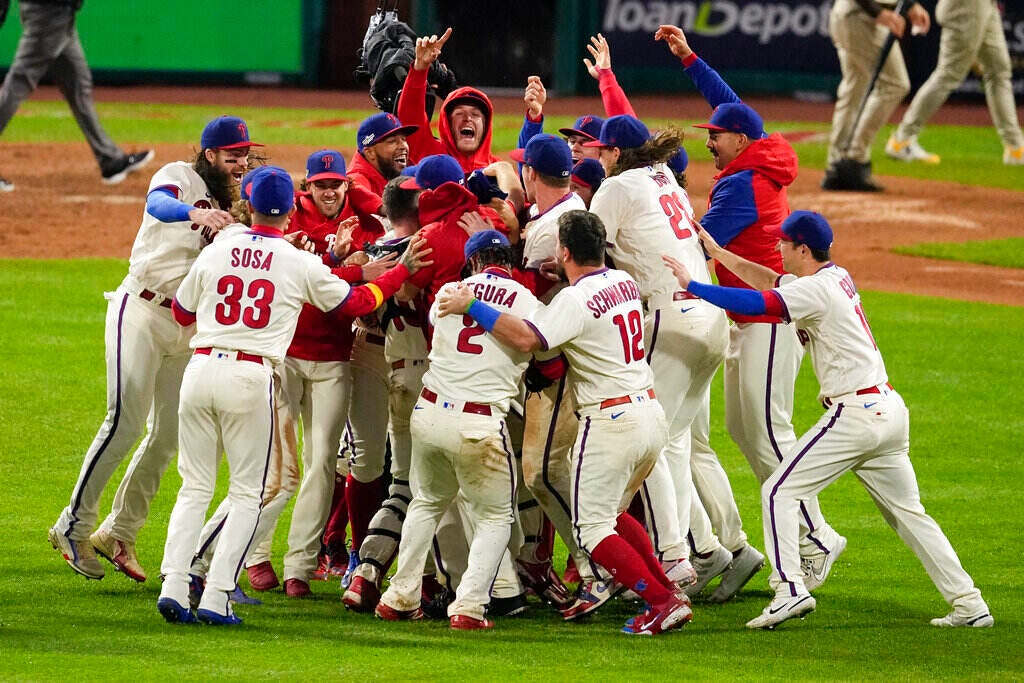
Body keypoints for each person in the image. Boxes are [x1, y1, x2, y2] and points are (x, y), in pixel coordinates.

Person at [663, 211, 994, 631]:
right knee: (910, 514)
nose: (779, 248)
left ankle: (790, 590)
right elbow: (769, 282)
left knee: (778, 492)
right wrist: (719, 254)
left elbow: (760, 303)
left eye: (784, 243)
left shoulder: (815, 291)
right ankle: (969, 602)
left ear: (802, 248)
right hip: (888, 412)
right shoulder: (833, 278)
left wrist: (693, 286)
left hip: (856, 415)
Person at [156, 167, 431, 625]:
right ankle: (217, 595)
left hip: (200, 368)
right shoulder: (296, 260)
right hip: (251, 376)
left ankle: (174, 583)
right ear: (290, 209)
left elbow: (183, 311)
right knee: (249, 492)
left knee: (195, 487)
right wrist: (400, 269)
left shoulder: (221, 246)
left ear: (252, 204)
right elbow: (358, 304)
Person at [438, 210, 693, 636]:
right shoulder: (623, 281)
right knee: (610, 513)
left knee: (592, 530)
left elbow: (526, 338)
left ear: (564, 250)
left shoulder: (571, 302)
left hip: (611, 421)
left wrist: (472, 305)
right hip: (649, 412)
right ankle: (668, 590)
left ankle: (661, 601)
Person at [654, 24, 846, 589]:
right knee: (747, 431)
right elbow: (726, 99)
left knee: (768, 433)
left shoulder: (745, 187)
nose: (709, 141)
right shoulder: (754, 149)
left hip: (766, 320)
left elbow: (692, 243)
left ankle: (817, 535)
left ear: (740, 141)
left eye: (716, 136)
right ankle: (806, 531)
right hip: (747, 318)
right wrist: (688, 57)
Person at [47, 115, 255, 582]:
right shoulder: (177, 176)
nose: (239, 162)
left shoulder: (239, 200)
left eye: (243, 155)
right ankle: (73, 525)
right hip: (139, 308)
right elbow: (159, 206)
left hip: (187, 326)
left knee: (168, 436)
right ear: (209, 155)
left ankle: (119, 532)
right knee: (124, 420)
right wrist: (195, 213)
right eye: (231, 155)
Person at [586, 114, 733, 597]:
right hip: (711, 319)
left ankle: (675, 558)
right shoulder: (662, 173)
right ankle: (699, 551)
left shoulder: (617, 187)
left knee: (651, 442)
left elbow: (588, 249)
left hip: (674, 320)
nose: (599, 159)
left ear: (613, 153)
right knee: (674, 442)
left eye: (602, 151)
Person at [374, 230, 538, 631]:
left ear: (473, 263)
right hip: (479, 424)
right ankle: (470, 605)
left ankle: (399, 596)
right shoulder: (526, 300)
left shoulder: (451, 290)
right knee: (497, 515)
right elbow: (534, 343)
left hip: (429, 414)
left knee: (426, 502)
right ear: (509, 262)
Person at [0, 0, 153, 190]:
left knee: (78, 85)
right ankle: (110, 159)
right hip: (48, 14)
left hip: (62, 14)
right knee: (19, 82)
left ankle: (110, 160)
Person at [886, 0, 1024, 166]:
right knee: (948, 74)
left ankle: (1015, 148)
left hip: (986, 4)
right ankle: (902, 139)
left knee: (999, 71)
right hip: (966, 6)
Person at [820, 0, 931, 191]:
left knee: (855, 88)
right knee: (895, 83)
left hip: (853, 16)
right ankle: (855, 158)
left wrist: (910, 5)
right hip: (860, 16)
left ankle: (837, 165)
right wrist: (877, 12)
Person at [345, 112, 418, 216]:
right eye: (392, 141)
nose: (403, 146)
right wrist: (385, 209)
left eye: (404, 139)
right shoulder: (358, 177)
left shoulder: (398, 167)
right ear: (370, 152)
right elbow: (356, 191)